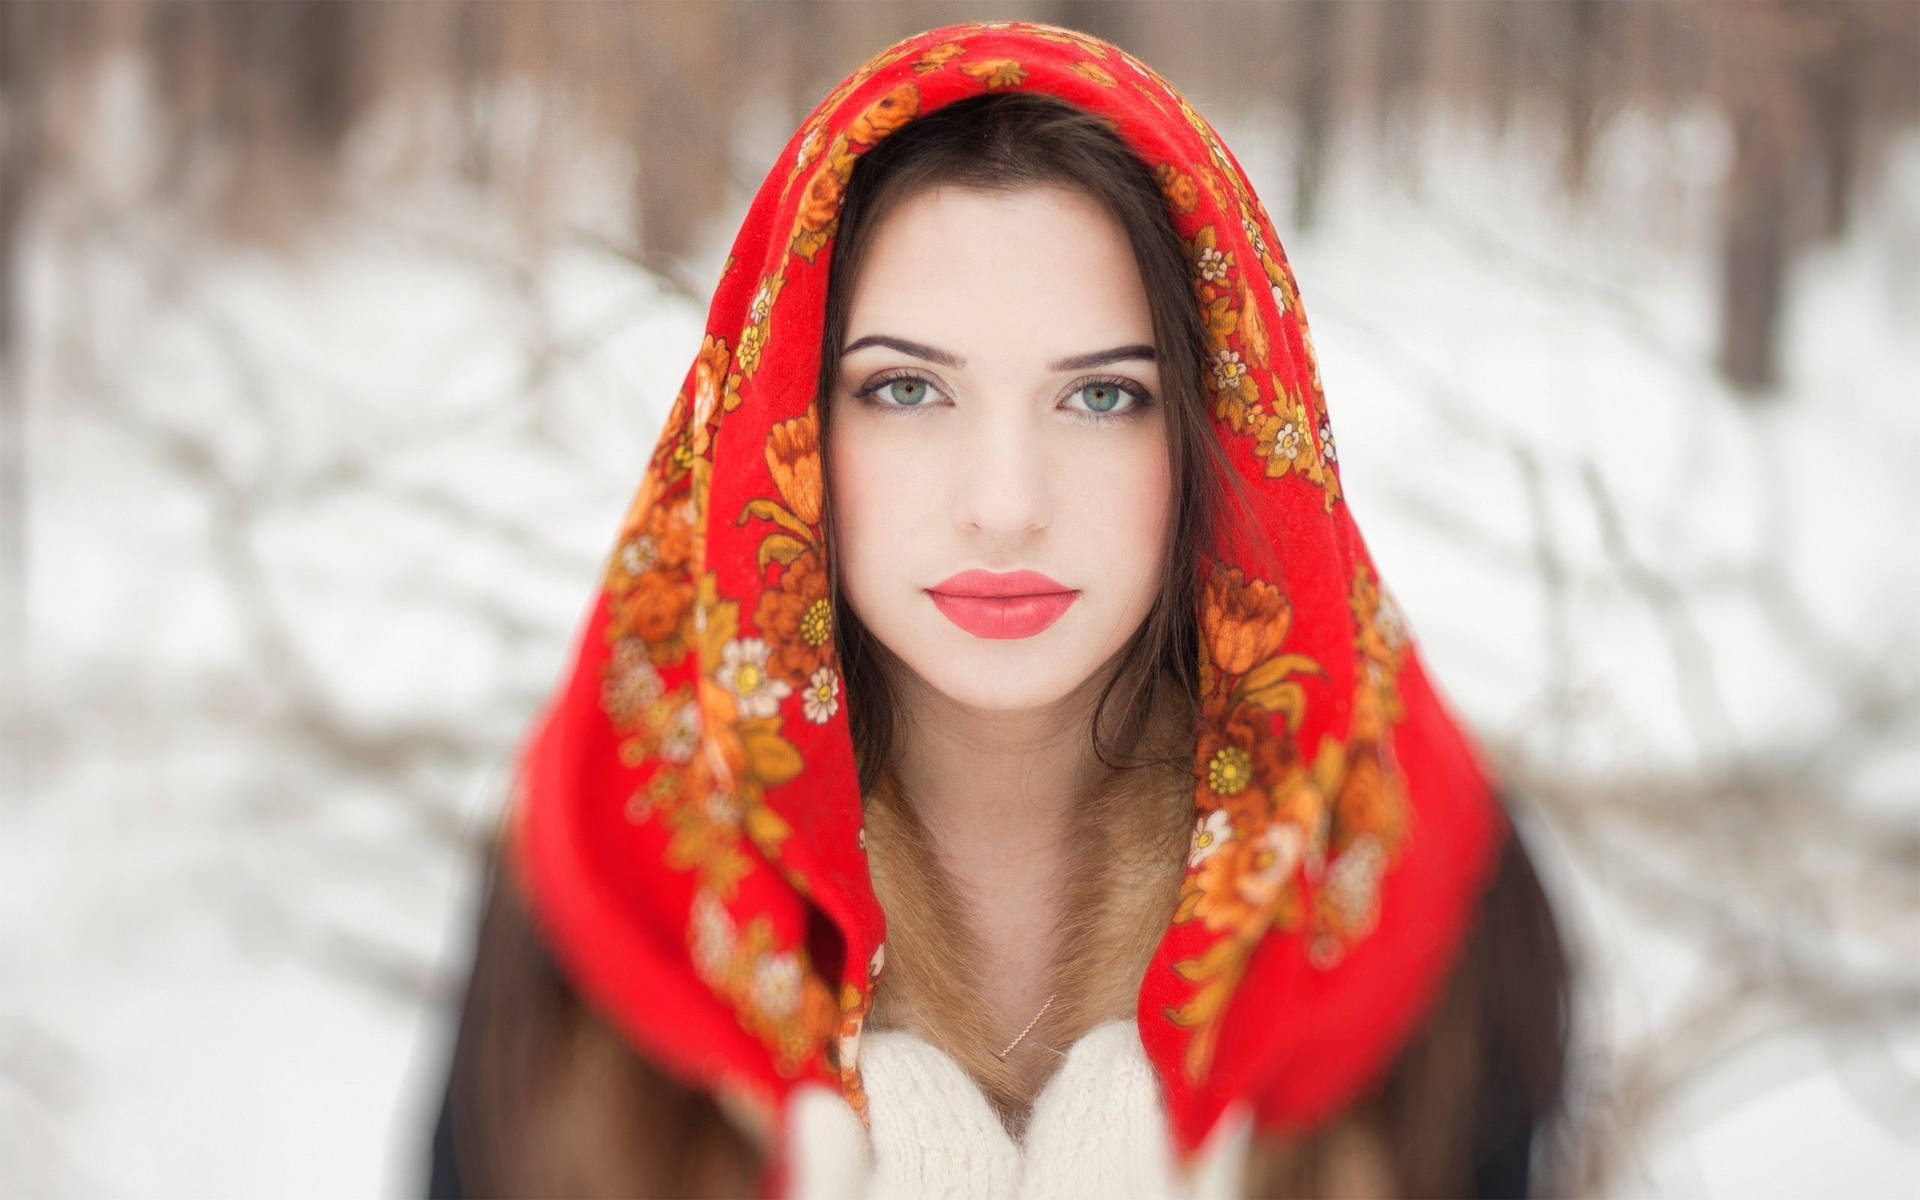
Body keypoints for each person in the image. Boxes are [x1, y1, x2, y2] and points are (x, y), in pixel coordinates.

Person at [425, 19, 1571, 1199]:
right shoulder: (607, 857)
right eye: (907, 388)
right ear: (786, 415)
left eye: (1105, 395)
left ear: (1227, 425)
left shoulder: (1414, 868)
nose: (1006, 504)